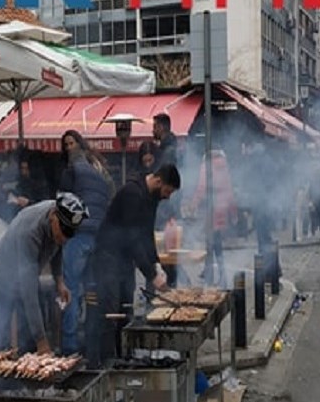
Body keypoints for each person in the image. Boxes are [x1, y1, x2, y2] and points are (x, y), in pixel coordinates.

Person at [86, 164, 180, 369]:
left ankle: (123, 357)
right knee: (111, 311)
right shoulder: (132, 194)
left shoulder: (151, 198)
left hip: (124, 260)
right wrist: (150, 274)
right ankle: (103, 363)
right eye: (167, 191)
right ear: (158, 181)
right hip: (107, 257)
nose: (167, 196)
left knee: (126, 309)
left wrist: (156, 264)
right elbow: (132, 238)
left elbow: (147, 233)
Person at [0, 193, 86, 354]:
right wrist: (42, 341)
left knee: (30, 339)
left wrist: (59, 281)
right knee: (0, 339)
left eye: (70, 233)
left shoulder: (58, 219)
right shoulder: (30, 231)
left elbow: (58, 246)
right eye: (64, 230)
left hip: (25, 277)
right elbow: (28, 291)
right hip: (1, 276)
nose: (65, 237)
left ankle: (30, 363)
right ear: (53, 216)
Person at [57, 146, 112, 356]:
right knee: (90, 289)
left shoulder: (71, 172)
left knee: (68, 287)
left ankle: (69, 345)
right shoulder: (99, 177)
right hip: (97, 237)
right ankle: (91, 341)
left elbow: (62, 206)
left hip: (78, 234)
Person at [186, 150, 237, 286]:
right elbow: (229, 189)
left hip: (210, 209)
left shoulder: (206, 165)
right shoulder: (224, 166)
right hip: (222, 207)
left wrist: (193, 204)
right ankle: (221, 274)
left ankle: (210, 275)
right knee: (217, 243)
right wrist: (233, 212)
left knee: (210, 244)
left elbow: (201, 188)